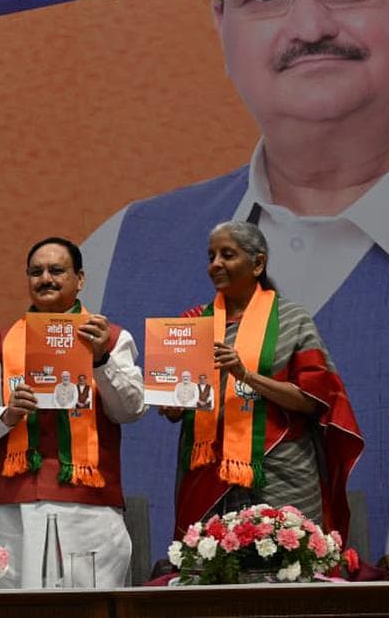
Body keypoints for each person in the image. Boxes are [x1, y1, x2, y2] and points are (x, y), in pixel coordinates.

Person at [81, 0, 389, 560]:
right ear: (222, 27)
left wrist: (247, 376)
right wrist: (176, 397)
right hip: (202, 549)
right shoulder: (120, 249)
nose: (309, 27)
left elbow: (317, 402)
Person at [162, 222, 363, 541]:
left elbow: (314, 401)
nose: (215, 264)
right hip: (208, 474)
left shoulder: (292, 320)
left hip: (283, 472)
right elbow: (176, 408)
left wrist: (247, 376)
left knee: (287, 562)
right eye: (211, 256)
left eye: (227, 254)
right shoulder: (191, 324)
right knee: (211, 566)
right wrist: (170, 403)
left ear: (258, 263)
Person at [0, 237, 145, 588]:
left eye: (56, 270)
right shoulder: (1, 342)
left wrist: (100, 360)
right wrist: (7, 414)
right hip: (13, 505)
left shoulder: (110, 338)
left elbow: (131, 409)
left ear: (80, 279)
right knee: (12, 608)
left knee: (87, 606)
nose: (45, 278)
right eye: (36, 272)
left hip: (88, 504)